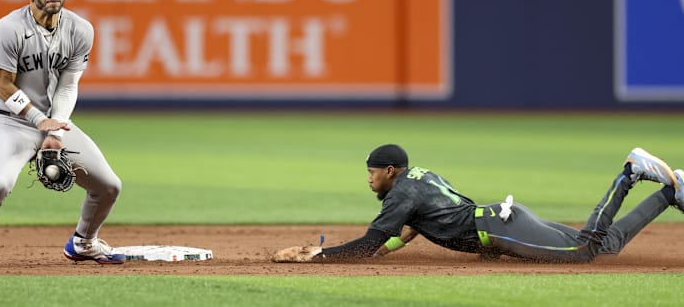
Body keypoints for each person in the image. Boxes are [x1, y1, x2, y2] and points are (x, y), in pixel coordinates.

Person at [0, 0, 125, 267]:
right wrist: (39, 121)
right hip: (11, 122)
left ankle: (84, 242)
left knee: (108, 186)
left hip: (54, 122)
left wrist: (53, 130)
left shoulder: (80, 29)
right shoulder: (9, 28)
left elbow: (67, 87)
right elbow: (2, 86)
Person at [273, 144, 684, 263]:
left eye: (373, 172)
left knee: (585, 249)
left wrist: (317, 257)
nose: (369, 178)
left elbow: (366, 246)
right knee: (607, 246)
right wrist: (392, 244)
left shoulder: (400, 193)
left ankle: (628, 174)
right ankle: (672, 192)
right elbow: (413, 228)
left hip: (503, 228)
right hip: (503, 218)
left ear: (392, 171)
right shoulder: (420, 178)